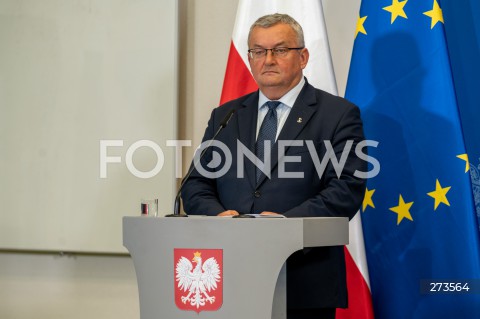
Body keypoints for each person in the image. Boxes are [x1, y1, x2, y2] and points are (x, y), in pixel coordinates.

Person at [181, 13, 366, 319]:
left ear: (303, 57)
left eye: (279, 50)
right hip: (230, 277)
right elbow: (196, 184)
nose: (267, 60)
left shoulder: (338, 115)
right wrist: (217, 217)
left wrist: (282, 225)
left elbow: (345, 190)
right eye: (257, 51)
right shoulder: (226, 116)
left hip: (303, 284)